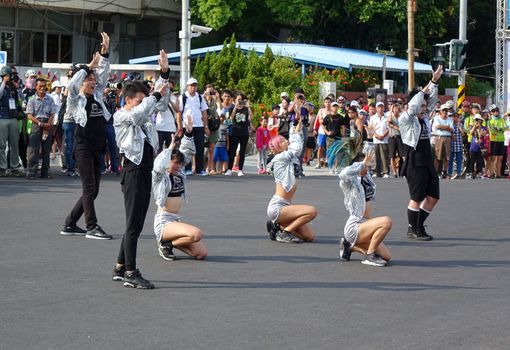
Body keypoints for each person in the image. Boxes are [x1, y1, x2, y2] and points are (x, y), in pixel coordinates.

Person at [110, 49, 170, 289]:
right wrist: (152, 95)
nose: (145, 103)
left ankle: (119, 266)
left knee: (134, 222)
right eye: (140, 99)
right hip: (133, 171)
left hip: (145, 171)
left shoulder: (144, 114)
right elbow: (141, 111)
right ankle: (131, 272)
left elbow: (161, 104)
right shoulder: (122, 116)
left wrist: (163, 74)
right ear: (129, 99)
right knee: (134, 225)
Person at [60, 32, 113, 239]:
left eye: (93, 80)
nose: (92, 82)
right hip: (82, 147)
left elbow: (105, 74)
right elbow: (73, 84)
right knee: (89, 188)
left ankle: (70, 223)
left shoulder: (97, 95)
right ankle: (92, 226)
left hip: (97, 147)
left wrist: (105, 51)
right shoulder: (75, 99)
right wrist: (87, 68)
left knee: (93, 190)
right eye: (89, 80)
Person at [152, 116, 208, 261]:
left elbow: (186, 153)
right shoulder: (160, 177)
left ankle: (169, 244)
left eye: (179, 163)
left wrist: (189, 133)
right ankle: (166, 243)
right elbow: (158, 165)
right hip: (164, 221)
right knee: (196, 234)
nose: (178, 166)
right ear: (167, 161)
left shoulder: (180, 173)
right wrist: (169, 148)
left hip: (176, 220)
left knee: (201, 254)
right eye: (174, 163)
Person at [399, 65, 444, 241]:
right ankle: (412, 228)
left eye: (425, 106)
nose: (425, 107)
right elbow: (416, 103)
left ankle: (418, 225)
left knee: (433, 197)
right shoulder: (406, 119)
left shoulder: (424, 117)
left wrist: (435, 81)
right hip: (414, 161)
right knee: (416, 198)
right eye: (422, 105)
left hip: (427, 161)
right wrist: (425, 87)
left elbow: (430, 100)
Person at [338, 141, 392, 266]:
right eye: (364, 166)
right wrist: (362, 163)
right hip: (355, 226)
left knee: (386, 256)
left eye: (367, 167)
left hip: (366, 225)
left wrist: (368, 148)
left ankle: (349, 246)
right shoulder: (349, 183)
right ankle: (369, 256)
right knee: (386, 221)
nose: (366, 169)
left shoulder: (366, 178)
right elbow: (343, 173)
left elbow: (369, 155)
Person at [266, 116, 317, 243]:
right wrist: (294, 132)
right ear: (278, 146)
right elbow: (297, 148)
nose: (286, 142)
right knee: (312, 211)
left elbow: (297, 147)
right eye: (283, 141)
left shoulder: (286, 158)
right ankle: (285, 233)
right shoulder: (281, 158)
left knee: (309, 236)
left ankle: (278, 227)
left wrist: (297, 128)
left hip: (286, 206)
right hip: (278, 207)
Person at [25, 78, 57, 179]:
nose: (42, 88)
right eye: (40, 86)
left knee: (46, 150)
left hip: (47, 125)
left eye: (44, 86)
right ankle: (31, 172)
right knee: (33, 150)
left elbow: (52, 113)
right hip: (36, 124)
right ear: (36, 87)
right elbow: (29, 115)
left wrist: (48, 124)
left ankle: (45, 173)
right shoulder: (31, 100)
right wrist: (40, 123)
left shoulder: (50, 99)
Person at [178, 77, 209, 176]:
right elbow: (179, 113)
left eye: (195, 85)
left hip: (199, 126)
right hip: (187, 126)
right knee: (187, 148)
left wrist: (206, 126)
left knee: (199, 148)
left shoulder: (200, 97)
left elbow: (204, 112)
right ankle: (187, 168)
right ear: (187, 87)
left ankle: (199, 169)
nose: (193, 87)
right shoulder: (183, 97)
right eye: (191, 85)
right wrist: (179, 126)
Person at [0, 65, 23, 177]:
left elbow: (21, 99)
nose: (9, 77)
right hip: (2, 118)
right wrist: (4, 82)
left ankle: (14, 167)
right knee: (2, 145)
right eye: (7, 75)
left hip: (13, 118)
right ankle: (2, 167)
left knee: (14, 144)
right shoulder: (1, 86)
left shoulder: (14, 88)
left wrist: (16, 86)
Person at [226, 92, 253, 177]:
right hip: (234, 132)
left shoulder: (245, 109)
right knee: (232, 151)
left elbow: (250, 118)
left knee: (242, 152)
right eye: (238, 99)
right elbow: (231, 118)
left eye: (241, 100)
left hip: (244, 132)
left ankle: (240, 169)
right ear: (235, 100)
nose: (240, 101)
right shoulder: (231, 107)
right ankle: (229, 169)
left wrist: (248, 107)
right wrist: (235, 106)